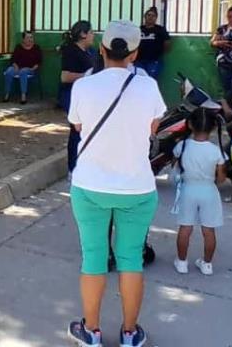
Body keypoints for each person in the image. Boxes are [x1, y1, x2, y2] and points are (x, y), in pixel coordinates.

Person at [66, 20, 165, 347]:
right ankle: (129, 333)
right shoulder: (148, 86)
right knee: (131, 259)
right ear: (134, 53)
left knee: (93, 257)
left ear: (102, 50)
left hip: (90, 186)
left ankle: (91, 332)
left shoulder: (83, 86)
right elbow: (153, 128)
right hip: (137, 188)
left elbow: (78, 127)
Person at [171, 107, 227, 277]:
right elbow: (222, 178)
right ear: (213, 128)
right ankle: (207, 264)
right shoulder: (216, 151)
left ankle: (181, 262)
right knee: (209, 230)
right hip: (209, 190)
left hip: (188, 189)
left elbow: (175, 165)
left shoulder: (182, 146)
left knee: (185, 227)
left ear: (189, 125)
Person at [59, 20, 97, 172]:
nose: (93, 35)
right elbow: (65, 77)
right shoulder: (71, 51)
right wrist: (86, 75)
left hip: (86, 96)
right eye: (91, 32)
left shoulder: (90, 51)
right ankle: (72, 168)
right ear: (83, 34)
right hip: (71, 95)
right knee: (76, 129)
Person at [3, 31, 42, 104]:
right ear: (23, 39)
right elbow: (13, 59)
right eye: (28, 37)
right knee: (9, 72)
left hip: (30, 69)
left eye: (31, 37)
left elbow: (39, 62)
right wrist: (16, 67)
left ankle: (23, 95)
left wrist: (32, 68)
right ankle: (6, 94)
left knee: (23, 71)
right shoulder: (18, 47)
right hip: (17, 67)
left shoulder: (36, 48)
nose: (30, 39)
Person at [136, 7, 171, 80]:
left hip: (154, 61)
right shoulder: (139, 29)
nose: (150, 17)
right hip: (139, 60)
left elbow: (167, 43)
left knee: (151, 80)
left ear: (156, 18)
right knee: (139, 80)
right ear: (145, 17)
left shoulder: (160, 29)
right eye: (149, 15)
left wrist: (159, 53)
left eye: (153, 16)